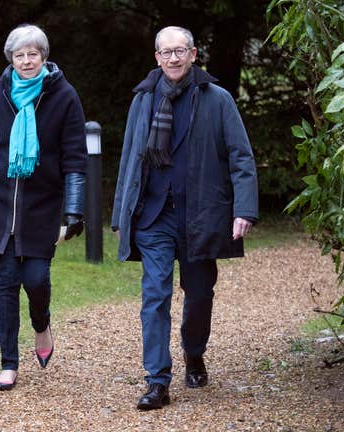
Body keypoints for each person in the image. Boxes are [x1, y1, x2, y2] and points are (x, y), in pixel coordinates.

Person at [111, 26, 259, 410]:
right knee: (154, 295)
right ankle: (157, 381)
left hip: (201, 216)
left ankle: (194, 351)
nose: (173, 59)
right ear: (156, 57)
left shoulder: (218, 99)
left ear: (193, 54)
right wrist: (119, 215)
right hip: (153, 217)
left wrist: (244, 209)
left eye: (180, 51)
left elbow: (241, 156)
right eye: (165, 52)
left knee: (199, 293)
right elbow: (129, 157)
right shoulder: (143, 99)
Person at [0, 24, 88, 391]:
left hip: (41, 204)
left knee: (36, 279)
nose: (27, 61)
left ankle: (41, 324)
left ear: (44, 57)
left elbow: (75, 158)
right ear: (11, 59)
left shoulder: (63, 96)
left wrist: (74, 207)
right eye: (20, 55)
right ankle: (8, 364)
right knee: (5, 284)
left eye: (33, 54)